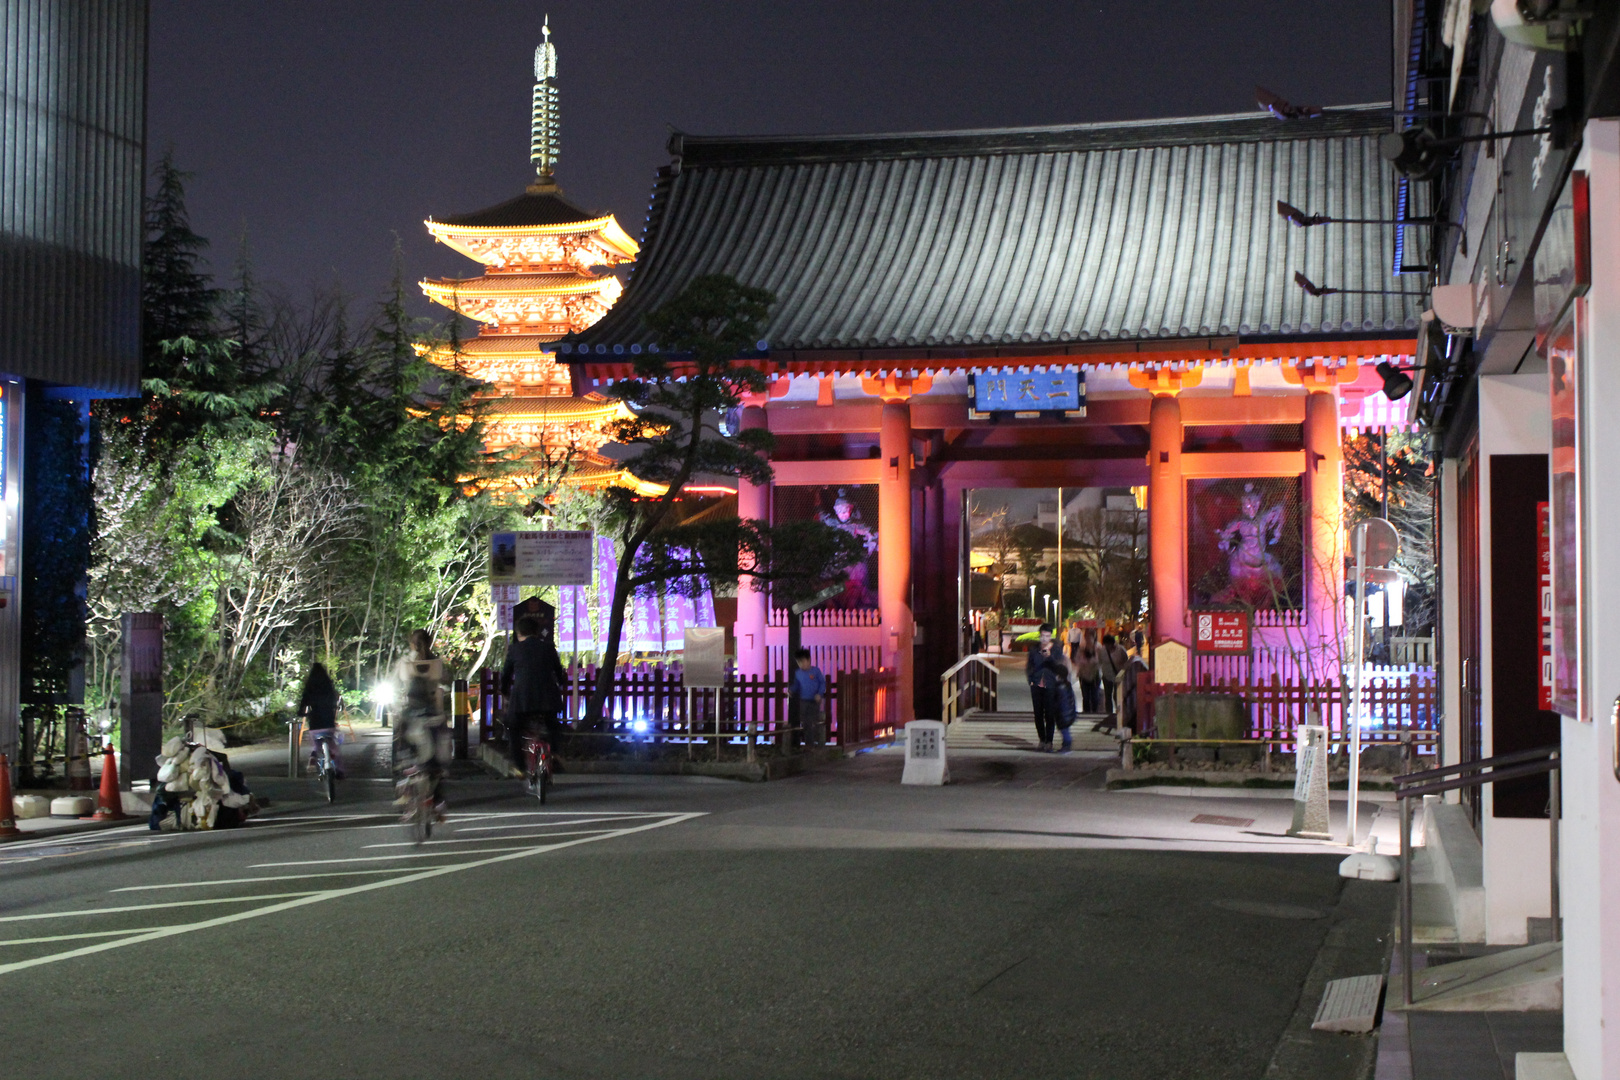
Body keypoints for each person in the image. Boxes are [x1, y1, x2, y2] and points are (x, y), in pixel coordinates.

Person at [500, 614, 568, 775]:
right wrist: (560, 683)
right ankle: (556, 754)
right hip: (548, 699)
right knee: (553, 725)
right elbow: (559, 672)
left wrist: (504, 692)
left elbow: (506, 675)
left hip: (522, 700)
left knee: (513, 727)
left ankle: (519, 767)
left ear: (519, 633)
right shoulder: (548, 647)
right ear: (537, 632)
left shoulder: (515, 649)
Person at [394, 629, 449, 816]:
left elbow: (399, 682)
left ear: (412, 644)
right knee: (438, 761)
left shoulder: (406, 662)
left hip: (413, 712)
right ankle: (439, 801)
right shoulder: (437, 662)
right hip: (434, 713)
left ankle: (405, 774)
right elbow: (445, 682)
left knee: (400, 738)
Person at [1025, 623, 1069, 753]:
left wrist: (1049, 656)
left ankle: (1049, 741)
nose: (1044, 639)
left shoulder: (1056, 649)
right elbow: (1029, 666)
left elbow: (1059, 667)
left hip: (1051, 685)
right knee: (1038, 714)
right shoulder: (1034, 649)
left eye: (1047, 636)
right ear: (1040, 636)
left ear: (1051, 636)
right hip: (1036, 685)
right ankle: (1042, 740)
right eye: (1042, 636)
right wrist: (1031, 681)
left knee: (1049, 714)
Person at [297, 662, 343, 779]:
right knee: (333, 747)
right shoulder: (328, 686)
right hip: (328, 721)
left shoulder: (309, 688)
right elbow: (334, 702)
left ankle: (313, 757)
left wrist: (302, 713)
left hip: (315, 722)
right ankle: (338, 769)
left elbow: (303, 704)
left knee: (316, 745)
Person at [789, 648, 827, 748]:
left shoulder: (815, 671)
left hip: (814, 701)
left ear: (808, 660)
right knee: (805, 723)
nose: (801, 664)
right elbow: (796, 685)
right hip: (803, 700)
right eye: (798, 662)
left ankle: (813, 743)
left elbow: (822, 683)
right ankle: (809, 744)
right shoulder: (798, 673)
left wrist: (819, 693)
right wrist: (791, 690)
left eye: (802, 661)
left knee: (812, 722)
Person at [1073, 631, 1102, 714]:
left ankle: (1095, 713)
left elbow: (1100, 661)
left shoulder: (1098, 648)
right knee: (1085, 697)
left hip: (1095, 675)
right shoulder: (1082, 648)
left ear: (1094, 637)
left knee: (1094, 696)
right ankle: (1086, 713)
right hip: (1083, 675)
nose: (1088, 639)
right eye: (1086, 637)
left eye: (1089, 637)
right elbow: (1077, 660)